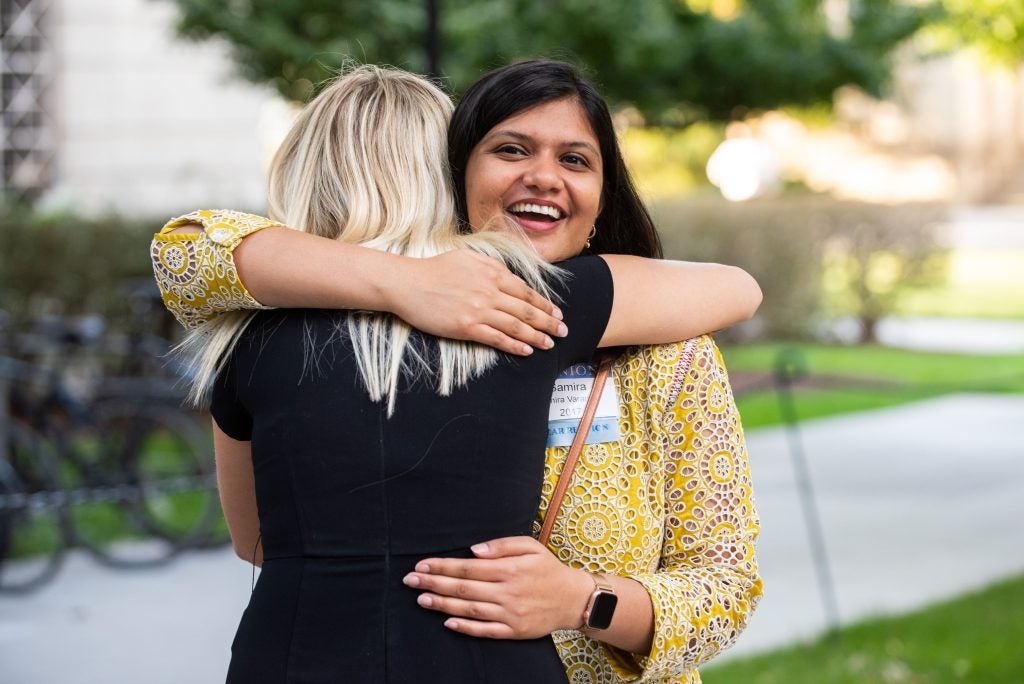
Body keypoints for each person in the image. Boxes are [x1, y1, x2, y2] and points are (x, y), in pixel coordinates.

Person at [153, 61, 761, 683]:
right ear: (450, 175)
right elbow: (186, 249)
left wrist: (585, 600)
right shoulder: (465, 307)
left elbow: (727, 586)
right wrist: (406, 282)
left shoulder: (667, 353)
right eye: (510, 150)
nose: (543, 177)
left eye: (576, 160)